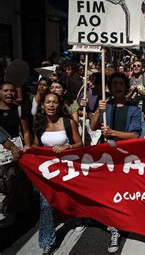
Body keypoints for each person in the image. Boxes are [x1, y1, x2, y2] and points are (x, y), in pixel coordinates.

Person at [90, 72, 141, 253]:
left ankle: (120, 223)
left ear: (126, 87)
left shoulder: (134, 109)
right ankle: (114, 227)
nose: (117, 87)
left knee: (121, 193)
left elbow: (135, 135)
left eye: (121, 83)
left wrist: (113, 133)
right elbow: (92, 126)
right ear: (110, 88)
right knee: (108, 193)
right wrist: (99, 111)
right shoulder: (105, 105)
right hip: (106, 157)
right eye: (114, 84)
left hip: (123, 158)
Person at [30, 92, 83, 254]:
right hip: (47, 172)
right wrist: (29, 149)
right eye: (48, 102)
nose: (51, 105)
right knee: (46, 204)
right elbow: (36, 145)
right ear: (43, 105)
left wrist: (67, 147)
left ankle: (77, 218)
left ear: (59, 105)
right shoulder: (38, 123)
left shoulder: (69, 122)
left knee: (68, 198)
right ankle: (47, 241)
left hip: (67, 170)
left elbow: (80, 144)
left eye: (54, 102)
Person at [0, 81, 32, 228]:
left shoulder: (19, 110)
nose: (9, 93)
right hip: (1, 151)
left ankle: (11, 211)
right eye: (6, 90)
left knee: (14, 177)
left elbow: (26, 131)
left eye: (12, 91)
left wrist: (27, 146)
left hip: (16, 150)